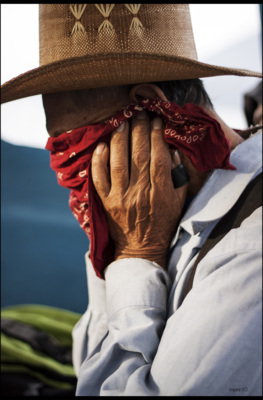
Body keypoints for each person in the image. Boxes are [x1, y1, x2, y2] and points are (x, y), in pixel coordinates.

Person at [1, 4, 262, 396]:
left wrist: (138, 255)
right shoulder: (147, 214)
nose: (64, 167)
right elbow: (90, 364)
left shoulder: (249, 249)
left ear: (148, 110)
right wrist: (123, 250)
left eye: (71, 144)